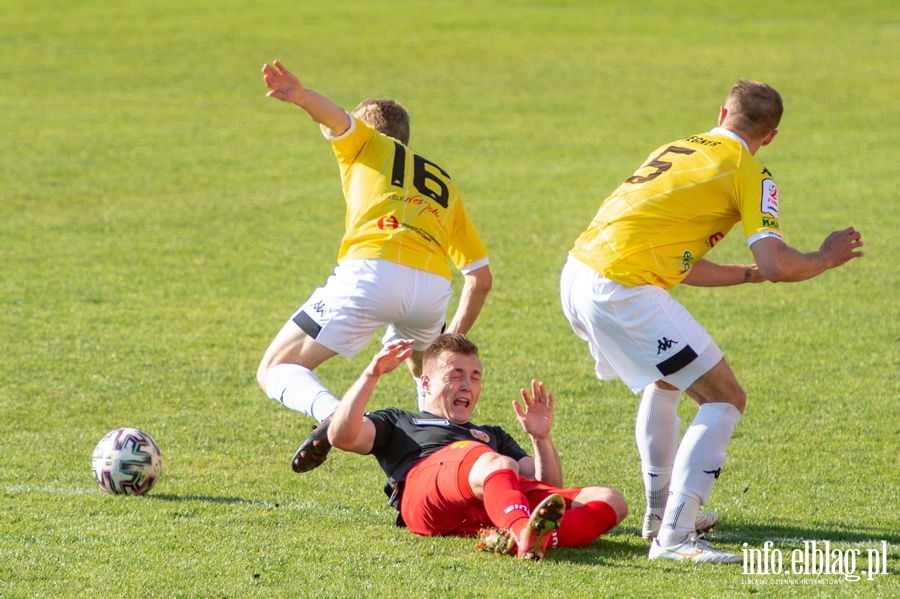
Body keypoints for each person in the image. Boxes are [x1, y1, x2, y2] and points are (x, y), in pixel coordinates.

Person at [560, 80, 864, 563]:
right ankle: (676, 540)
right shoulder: (751, 172)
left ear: (722, 112)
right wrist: (825, 257)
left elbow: (677, 261)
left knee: (666, 382)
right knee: (725, 398)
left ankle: (662, 517)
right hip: (622, 287)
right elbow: (777, 265)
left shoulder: (677, 147)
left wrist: (742, 277)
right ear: (772, 136)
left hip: (578, 275)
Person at [256, 61, 493, 473]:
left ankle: (338, 416)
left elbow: (334, 118)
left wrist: (302, 96)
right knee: (427, 381)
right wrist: (448, 341)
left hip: (372, 274)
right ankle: (442, 473)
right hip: (433, 290)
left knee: (277, 367)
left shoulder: (366, 144)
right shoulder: (443, 183)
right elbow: (480, 279)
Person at [327, 334, 628, 560]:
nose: (466, 386)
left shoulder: (490, 435)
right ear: (427, 383)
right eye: (455, 376)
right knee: (491, 461)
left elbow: (546, 490)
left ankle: (533, 538)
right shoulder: (400, 422)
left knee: (610, 499)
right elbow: (342, 437)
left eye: (474, 377)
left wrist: (541, 439)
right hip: (426, 497)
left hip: (486, 507)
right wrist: (371, 374)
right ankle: (523, 531)